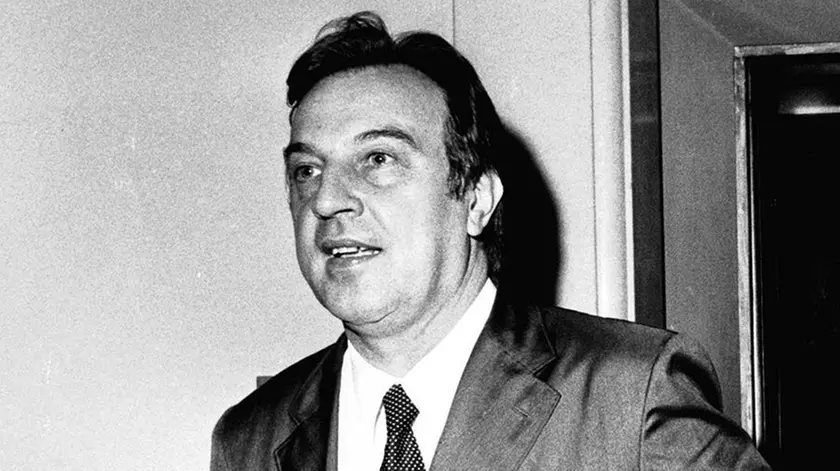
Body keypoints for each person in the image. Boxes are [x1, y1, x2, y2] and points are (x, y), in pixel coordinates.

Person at [210, 11, 770, 470]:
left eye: (378, 159)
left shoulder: (632, 396)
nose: (327, 199)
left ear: (476, 199)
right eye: (307, 170)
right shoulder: (252, 437)